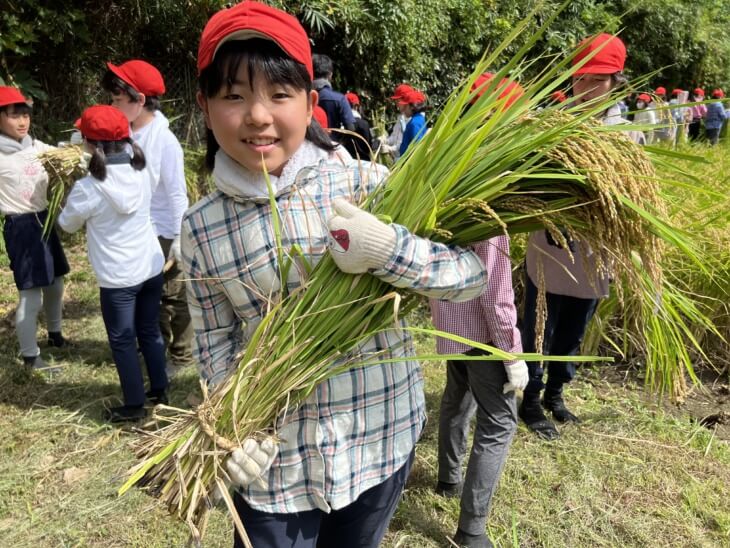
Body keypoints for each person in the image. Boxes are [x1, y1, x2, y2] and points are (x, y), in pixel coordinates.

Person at [183, 2, 488, 546]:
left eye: (278, 94)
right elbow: (214, 342)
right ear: (205, 106)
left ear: (308, 101)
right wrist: (226, 426)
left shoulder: (370, 185)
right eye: (234, 95)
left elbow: (470, 277)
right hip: (274, 469)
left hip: (379, 438)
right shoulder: (201, 227)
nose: (257, 115)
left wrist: (387, 249)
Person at [520, 33, 643, 441]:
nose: (586, 89)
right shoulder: (550, 127)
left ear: (616, 81)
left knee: (573, 332)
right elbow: (528, 187)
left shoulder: (627, 135)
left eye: (598, 80)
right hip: (549, 251)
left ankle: (556, 394)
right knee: (539, 329)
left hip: (593, 257)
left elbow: (635, 196)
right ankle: (531, 400)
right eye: (580, 79)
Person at [430, 74, 527, 548]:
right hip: (483, 330)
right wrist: (512, 351)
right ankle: (471, 530)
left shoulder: (449, 165)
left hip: (451, 320)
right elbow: (494, 290)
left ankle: (447, 478)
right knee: (499, 420)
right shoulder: (489, 187)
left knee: (457, 397)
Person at [58, 105, 167, 422]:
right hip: (150, 266)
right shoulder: (143, 170)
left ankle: (134, 405)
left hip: (118, 278)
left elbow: (66, 225)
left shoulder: (89, 188)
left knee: (122, 340)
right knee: (149, 330)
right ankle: (159, 388)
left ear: (91, 144)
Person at [101, 59, 193, 373]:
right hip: (136, 229)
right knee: (145, 293)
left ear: (140, 101)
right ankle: (155, 347)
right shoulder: (122, 133)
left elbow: (177, 192)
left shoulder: (164, 141)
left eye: (117, 99)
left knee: (172, 295)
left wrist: (180, 237)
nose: (112, 105)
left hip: (165, 229)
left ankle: (181, 355)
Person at [0, 86, 69, 370]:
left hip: (45, 219)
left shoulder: (38, 148)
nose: (22, 121)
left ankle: (55, 335)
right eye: (14, 115)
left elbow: (67, 156)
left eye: (25, 115)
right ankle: (30, 356)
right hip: (20, 226)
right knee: (31, 293)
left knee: (56, 282)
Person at [312, 53, 355, 144]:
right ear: (330, 75)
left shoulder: (302, 97)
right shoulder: (339, 99)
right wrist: (340, 142)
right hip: (332, 145)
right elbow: (351, 129)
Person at [379, 84, 412, 159]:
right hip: (396, 159)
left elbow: (403, 145)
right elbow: (394, 137)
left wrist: (389, 149)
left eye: (398, 100)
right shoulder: (401, 117)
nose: (396, 104)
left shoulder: (411, 120)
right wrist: (385, 140)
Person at [344, 91, 374, 160]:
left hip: (347, 163)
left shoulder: (341, 124)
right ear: (356, 106)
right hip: (363, 163)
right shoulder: (364, 124)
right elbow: (369, 146)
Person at [398, 88, 428, 157]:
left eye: (405, 106)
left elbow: (417, 147)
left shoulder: (414, 123)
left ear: (412, 107)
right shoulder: (419, 119)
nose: (404, 109)